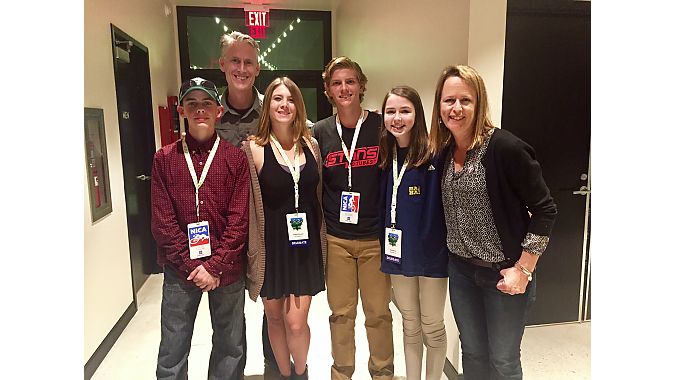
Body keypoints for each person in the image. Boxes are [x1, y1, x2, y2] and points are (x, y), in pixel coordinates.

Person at [429, 65, 557, 380]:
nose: (455, 108)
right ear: (439, 105)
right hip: (461, 272)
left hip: (503, 274)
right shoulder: (444, 152)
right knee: (472, 354)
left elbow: (545, 210)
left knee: (503, 361)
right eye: (448, 101)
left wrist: (524, 269)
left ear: (479, 103)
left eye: (465, 100)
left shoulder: (506, 148)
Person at [151, 77, 250, 379]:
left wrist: (215, 266)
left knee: (230, 344)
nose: (200, 110)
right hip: (181, 270)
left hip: (227, 270)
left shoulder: (235, 159)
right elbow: (162, 221)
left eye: (206, 103)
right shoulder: (164, 159)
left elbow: (239, 220)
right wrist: (195, 265)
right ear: (181, 110)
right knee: (173, 345)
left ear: (219, 110)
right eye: (192, 104)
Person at [312, 56, 394, 380]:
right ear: (328, 90)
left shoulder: (380, 127)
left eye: (350, 81)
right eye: (336, 83)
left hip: (375, 237)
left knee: (378, 314)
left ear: (361, 86)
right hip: (337, 240)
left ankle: (383, 374)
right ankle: (342, 374)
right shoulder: (319, 132)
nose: (344, 88)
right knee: (341, 315)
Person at [242, 77, 326, 380]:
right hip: (271, 247)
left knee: (296, 323)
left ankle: (301, 372)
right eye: (277, 98)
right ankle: (283, 374)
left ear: (298, 106)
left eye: (290, 99)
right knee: (274, 319)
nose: (284, 105)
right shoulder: (253, 149)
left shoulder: (311, 145)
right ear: (268, 105)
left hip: (304, 248)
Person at [377, 86, 449, 380]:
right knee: (409, 323)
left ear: (417, 114)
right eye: (391, 111)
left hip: (431, 257)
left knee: (432, 325)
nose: (397, 118)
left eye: (405, 111)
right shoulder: (385, 155)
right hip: (398, 254)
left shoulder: (435, 154)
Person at [216, 31, 264, 146]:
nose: (242, 69)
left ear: (257, 69)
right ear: (222, 64)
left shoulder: (271, 109)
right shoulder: (211, 112)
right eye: (235, 61)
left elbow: (302, 128)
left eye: (248, 62)